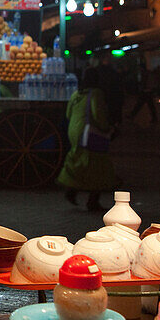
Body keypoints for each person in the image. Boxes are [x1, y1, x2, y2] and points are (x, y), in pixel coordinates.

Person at [58, 67, 116, 212]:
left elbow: (68, 113)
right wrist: (107, 128)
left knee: (78, 160)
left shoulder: (76, 93)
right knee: (97, 165)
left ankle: (72, 189)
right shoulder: (96, 93)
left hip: (74, 130)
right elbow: (98, 114)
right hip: (88, 132)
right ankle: (92, 200)